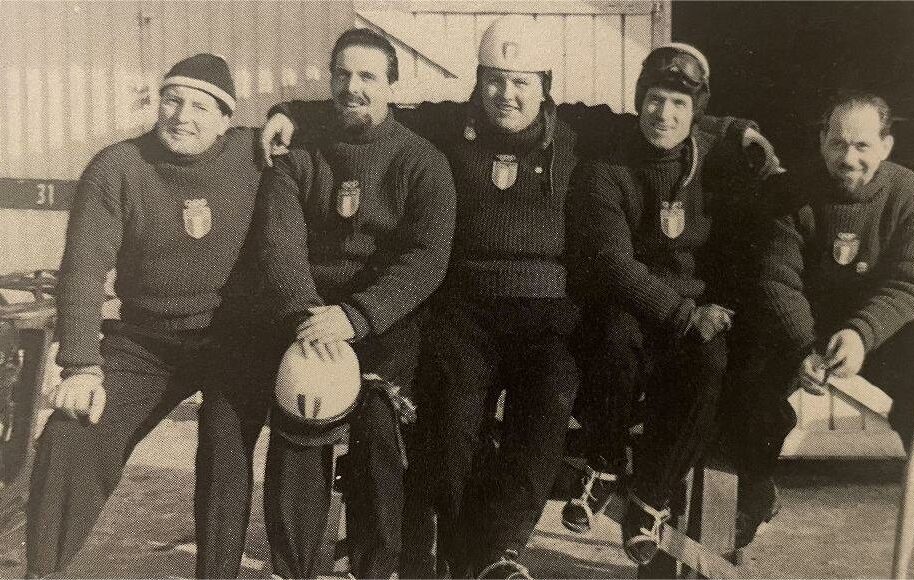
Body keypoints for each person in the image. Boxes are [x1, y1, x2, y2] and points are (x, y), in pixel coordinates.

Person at [260, 19, 777, 578]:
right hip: (467, 311)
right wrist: (291, 112)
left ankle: (502, 553)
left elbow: (662, 116)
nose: (508, 95)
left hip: (550, 314)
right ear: (479, 83)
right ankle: (461, 557)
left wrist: (737, 130)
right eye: (495, 81)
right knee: (454, 425)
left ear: (544, 85)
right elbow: (367, 108)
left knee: (546, 411)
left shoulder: (578, 129)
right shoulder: (450, 124)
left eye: (522, 83)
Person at [26, 54, 272, 579]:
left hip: (233, 338)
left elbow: (341, 122)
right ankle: (40, 571)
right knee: (71, 436)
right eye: (172, 100)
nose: (182, 115)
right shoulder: (117, 166)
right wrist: (80, 366)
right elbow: (83, 272)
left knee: (225, 452)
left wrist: (296, 112)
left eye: (201, 106)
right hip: (145, 340)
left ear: (227, 118)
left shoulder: (256, 154)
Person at [252, 28, 457, 579]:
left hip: (382, 320)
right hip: (309, 317)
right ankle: (292, 567)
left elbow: (426, 258)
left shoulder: (422, 161)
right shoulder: (298, 154)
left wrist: (357, 316)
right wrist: (306, 317)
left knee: (378, 435)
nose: (352, 86)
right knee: (304, 413)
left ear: (392, 84)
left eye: (367, 75)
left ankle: (375, 566)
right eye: (342, 74)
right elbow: (280, 243)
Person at [726, 91, 914, 547]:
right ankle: (749, 496)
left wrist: (861, 334)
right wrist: (800, 346)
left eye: (862, 146)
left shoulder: (910, 194)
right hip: (798, 321)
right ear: (821, 142)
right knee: (744, 377)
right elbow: (777, 280)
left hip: (874, 327)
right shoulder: (789, 192)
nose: (848, 158)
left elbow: (910, 284)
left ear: (887, 145)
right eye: (838, 144)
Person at [567, 43, 769, 565]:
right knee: (611, 338)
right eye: (655, 100)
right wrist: (684, 316)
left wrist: (744, 130)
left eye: (679, 105)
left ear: (695, 113)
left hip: (688, 307)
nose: (664, 114)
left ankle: (651, 496)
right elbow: (612, 264)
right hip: (626, 302)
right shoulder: (606, 163)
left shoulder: (711, 158)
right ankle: (605, 462)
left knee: (711, 361)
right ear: (639, 100)